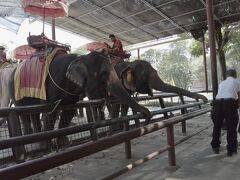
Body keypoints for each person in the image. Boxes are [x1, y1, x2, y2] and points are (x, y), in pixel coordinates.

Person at [211, 68, 240, 156]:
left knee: (217, 126)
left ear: (226, 76)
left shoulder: (222, 83)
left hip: (217, 103)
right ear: (235, 75)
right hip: (229, 104)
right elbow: (239, 94)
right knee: (231, 127)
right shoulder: (237, 81)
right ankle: (231, 150)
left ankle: (215, 147)